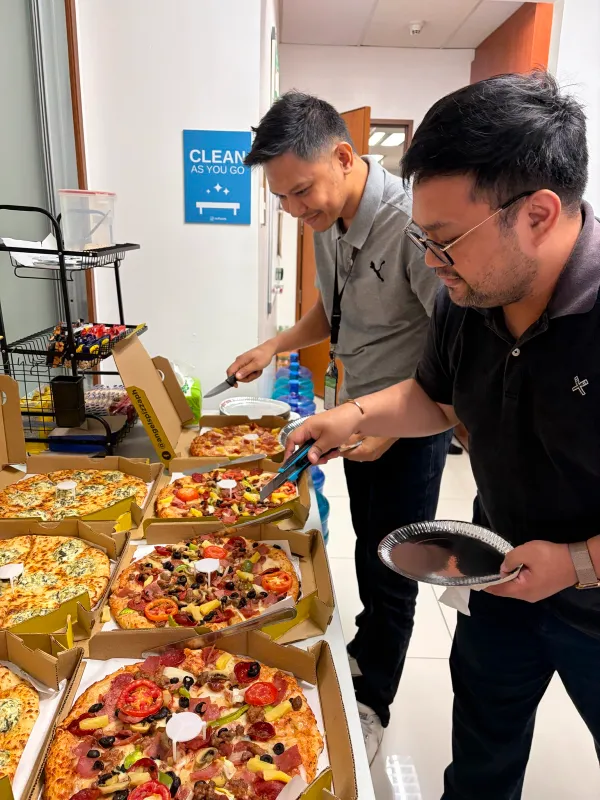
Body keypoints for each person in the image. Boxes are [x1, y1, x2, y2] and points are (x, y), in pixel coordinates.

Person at [284, 71, 600, 800]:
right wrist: (356, 416)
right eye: (425, 237)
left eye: (448, 239)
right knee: (482, 752)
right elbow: (433, 396)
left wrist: (578, 563)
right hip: (499, 562)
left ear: (540, 214)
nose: (431, 261)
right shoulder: (470, 291)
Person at [227, 91, 451, 761]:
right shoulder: (329, 226)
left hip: (410, 425)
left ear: (345, 156)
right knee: (361, 546)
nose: (299, 211)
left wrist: (399, 421)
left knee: (396, 565)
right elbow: (334, 311)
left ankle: (374, 700)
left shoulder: (411, 224)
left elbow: (454, 339)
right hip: (353, 416)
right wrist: (276, 345)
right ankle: (360, 655)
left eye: (303, 192)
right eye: (285, 201)